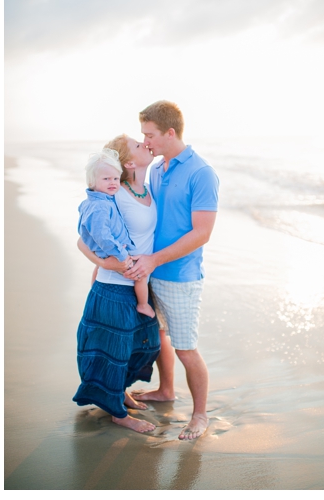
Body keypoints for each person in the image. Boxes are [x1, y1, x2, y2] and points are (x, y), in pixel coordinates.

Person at [87, 101, 219, 441]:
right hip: (148, 273)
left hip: (180, 276)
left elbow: (202, 232)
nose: (146, 141)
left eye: (150, 135)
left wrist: (154, 260)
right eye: (142, 136)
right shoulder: (158, 169)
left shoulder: (201, 173)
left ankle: (200, 415)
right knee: (157, 336)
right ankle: (166, 390)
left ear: (169, 133)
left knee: (185, 347)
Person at [73, 137, 160, 433]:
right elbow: (86, 238)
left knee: (143, 345)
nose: (144, 143)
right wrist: (112, 263)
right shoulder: (115, 195)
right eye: (137, 144)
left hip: (136, 281)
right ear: (128, 162)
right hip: (115, 286)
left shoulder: (146, 189)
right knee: (115, 350)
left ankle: (120, 393)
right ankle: (118, 414)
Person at [77, 147, 154, 318]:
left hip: (109, 251)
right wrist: (120, 254)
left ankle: (94, 292)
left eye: (115, 179)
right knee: (140, 275)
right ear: (92, 182)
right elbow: (102, 236)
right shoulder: (101, 205)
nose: (112, 183)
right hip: (115, 253)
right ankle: (143, 305)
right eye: (106, 179)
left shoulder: (99, 200)